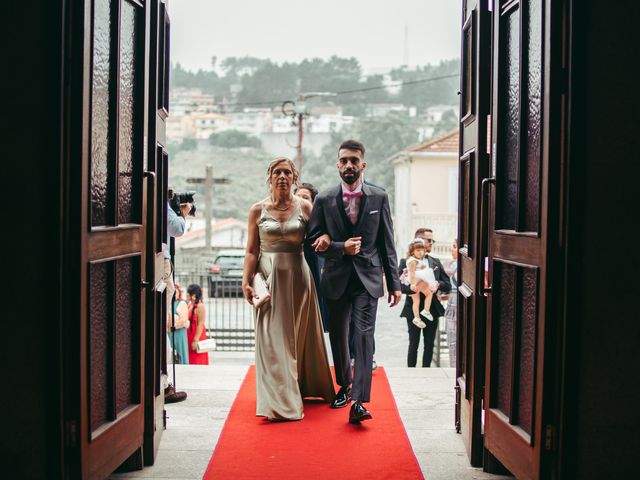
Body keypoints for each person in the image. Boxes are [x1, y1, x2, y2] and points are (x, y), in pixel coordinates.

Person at [308, 139, 401, 424]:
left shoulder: (379, 197)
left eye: (354, 161)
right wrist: (337, 246)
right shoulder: (323, 199)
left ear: (363, 165)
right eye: (344, 161)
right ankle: (344, 387)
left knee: (363, 337)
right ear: (338, 165)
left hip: (368, 278)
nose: (349, 165)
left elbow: (387, 241)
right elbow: (312, 238)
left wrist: (395, 283)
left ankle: (359, 400)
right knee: (338, 336)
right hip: (336, 277)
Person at [242, 157, 334, 421]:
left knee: (297, 336)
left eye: (287, 172)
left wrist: (326, 238)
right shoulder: (257, 211)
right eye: (276, 172)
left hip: (298, 277)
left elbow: (319, 236)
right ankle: (280, 403)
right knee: (272, 339)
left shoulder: (305, 207)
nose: (282, 176)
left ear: (294, 178)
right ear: (269, 177)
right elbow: (251, 250)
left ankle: (302, 385)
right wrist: (246, 280)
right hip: (268, 278)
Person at [399, 228, 451, 367]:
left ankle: (427, 371)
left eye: (432, 240)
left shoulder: (435, 262)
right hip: (413, 308)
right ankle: (411, 372)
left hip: (431, 308)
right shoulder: (406, 262)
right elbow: (399, 286)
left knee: (429, 345)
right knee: (413, 343)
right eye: (429, 240)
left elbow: (447, 285)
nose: (432, 243)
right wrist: (412, 287)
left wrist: (436, 284)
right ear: (418, 240)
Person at [164, 197, 192, 402]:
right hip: (160, 260)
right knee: (161, 323)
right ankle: (163, 385)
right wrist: (182, 212)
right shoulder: (158, 199)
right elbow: (176, 228)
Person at [294, 182, 330, 332]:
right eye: (297, 197)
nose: (301, 200)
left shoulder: (321, 222)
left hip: (315, 269)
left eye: (305, 197)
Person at [404, 238, 438, 327]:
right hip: (416, 280)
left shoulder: (415, 260)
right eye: (418, 250)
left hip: (417, 281)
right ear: (412, 252)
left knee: (416, 301)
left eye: (422, 250)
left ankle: (417, 317)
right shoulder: (414, 261)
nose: (420, 252)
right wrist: (412, 284)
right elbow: (411, 272)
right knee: (428, 294)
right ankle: (426, 311)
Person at [186, 284, 209, 365]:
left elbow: (200, 324)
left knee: (197, 357)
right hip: (189, 333)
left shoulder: (200, 306)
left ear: (193, 295)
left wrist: (196, 340)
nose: (186, 294)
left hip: (197, 334)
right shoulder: (190, 304)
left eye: (188, 293)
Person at [444, 239, 458, 367]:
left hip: (456, 305)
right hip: (452, 302)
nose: (452, 250)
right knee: (452, 339)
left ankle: (455, 368)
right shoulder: (453, 265)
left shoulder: (460, 266)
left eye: (454, 246)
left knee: (454, 340)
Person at [168, 283, 190, 365]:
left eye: (175, 292)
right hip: (169, 332)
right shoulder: (167, 303)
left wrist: (173, 325)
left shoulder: (181, 303)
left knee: (180, 352)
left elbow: (184, 320)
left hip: (178, 333)